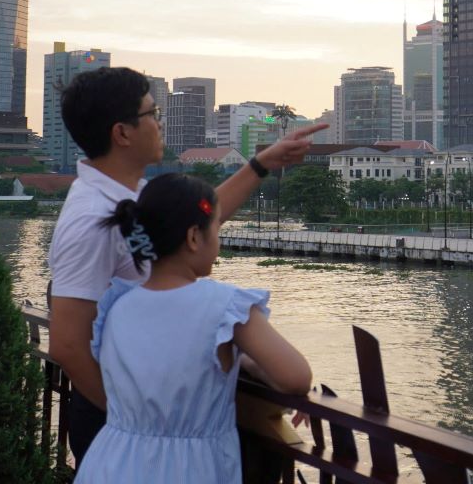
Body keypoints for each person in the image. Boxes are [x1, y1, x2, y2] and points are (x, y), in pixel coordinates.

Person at [47, 67, 324, 463]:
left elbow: (197, 219)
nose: (159, 124)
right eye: (151, 114)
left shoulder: (128, 197)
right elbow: (68, 344)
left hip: (154, 420)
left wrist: (261, 165)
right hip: (126, 423)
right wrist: (132, 417)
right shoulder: (89, 218)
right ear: (122, 133)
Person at [75, 173, 311, 483]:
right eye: (216, 228)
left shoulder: (116, 306)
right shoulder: (225, 307)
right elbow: (296, 376)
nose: (219, 240)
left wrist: (240, 358)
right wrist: (245, 359)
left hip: (111, 461)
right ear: (194, 237)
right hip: (188, 469)